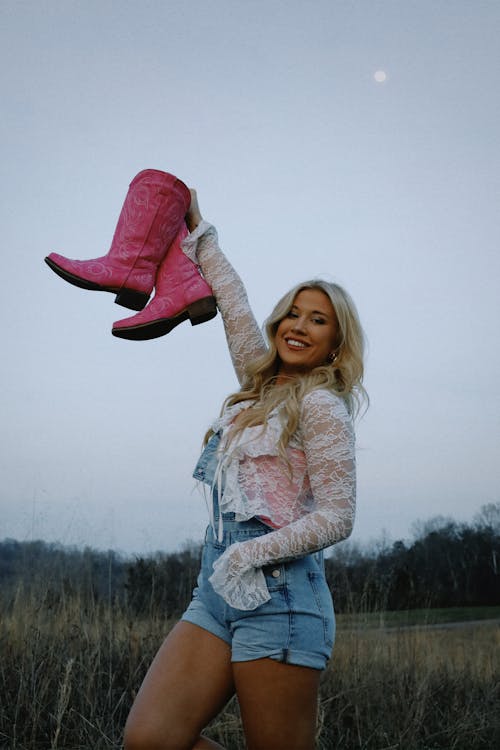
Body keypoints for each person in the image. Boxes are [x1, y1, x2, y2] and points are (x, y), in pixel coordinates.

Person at [124, 190, 367, 750]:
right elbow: (232, 305)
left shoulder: (321, 404)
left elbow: (337, 516)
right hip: (214, 593)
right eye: (293, 313)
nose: (298, 325)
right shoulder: (256, 390)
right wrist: (197, 226)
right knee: (150, 740)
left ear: (335, 343)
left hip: (280, 598)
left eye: (318, 319)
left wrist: (246, 555)